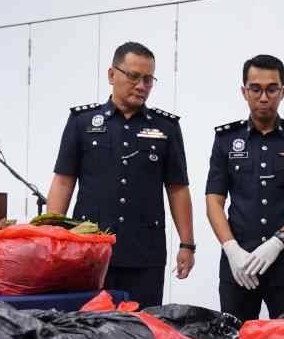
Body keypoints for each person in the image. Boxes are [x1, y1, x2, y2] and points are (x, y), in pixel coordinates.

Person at [47, 41, 195, 308]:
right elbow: (63, 181)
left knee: (142, 329)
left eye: (148, 79)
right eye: (134, 76)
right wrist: (50, 238)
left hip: (144, 252)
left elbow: (177, 188)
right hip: (91, 249)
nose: (141, 86)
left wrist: (187, 244)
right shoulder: (82, 122)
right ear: (112, 74)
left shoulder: (166, 128)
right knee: (89, 328)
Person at [204, 54, 284, 321]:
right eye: (255, 89)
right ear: (244, 91)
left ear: (283, 91)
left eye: (272, 89)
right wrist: (231, 249)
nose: (264, 97)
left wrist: (279, 241)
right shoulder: (226, 139)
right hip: (240, 265)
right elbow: (213, 201)